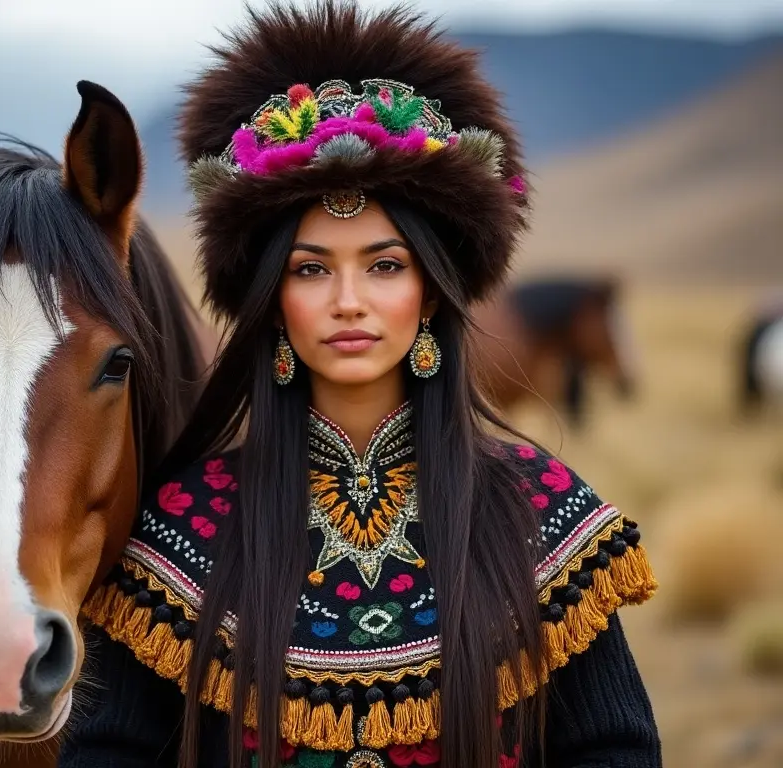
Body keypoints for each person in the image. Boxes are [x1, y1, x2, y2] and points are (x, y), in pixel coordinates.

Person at [60, 2, 661, 767]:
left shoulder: (538, 516)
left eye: (384, 265)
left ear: (433, 293)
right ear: (272, 299)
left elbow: (617, 751)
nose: (349, 300)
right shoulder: (186, 530)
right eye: (312, 268)